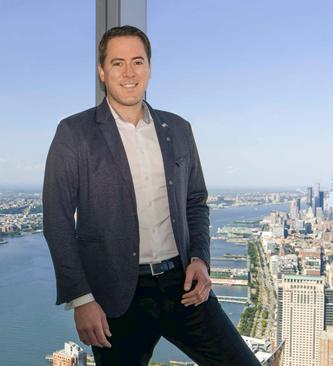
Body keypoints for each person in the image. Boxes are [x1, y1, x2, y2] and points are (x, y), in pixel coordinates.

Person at [43, 25, 260, 366]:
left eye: (137, 61)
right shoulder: (74, 133)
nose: (129, 72)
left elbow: (195, 202)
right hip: (116, 297)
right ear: (102, 71)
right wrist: (81, 298)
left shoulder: (178, 129)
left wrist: (201, 260)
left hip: (182, 285)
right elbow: (56, 220)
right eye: (117, 63)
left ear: (149, 68)